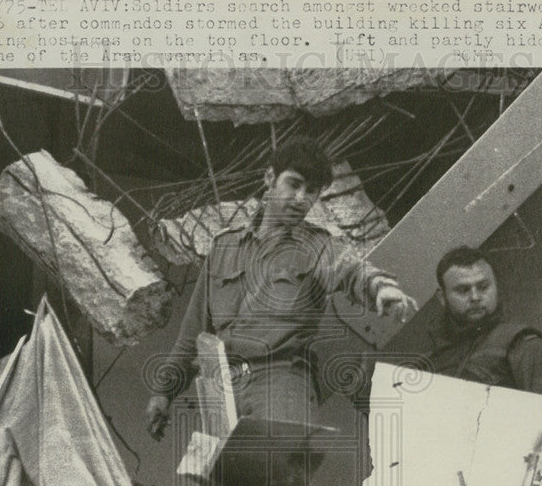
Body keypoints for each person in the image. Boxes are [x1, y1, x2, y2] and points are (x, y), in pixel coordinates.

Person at [145, 135, 418, 443]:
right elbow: (193, 335)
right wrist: (163, 392)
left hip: (280, 384)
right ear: (269, 178)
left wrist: (381, 288)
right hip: (223, 389)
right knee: (225, 484)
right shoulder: (223, 246)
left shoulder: (317, 245)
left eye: (312, 190)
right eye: (294, 184)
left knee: (275, 478)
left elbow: (353, 269)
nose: (301, 198)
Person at [426, 246, 542, 399]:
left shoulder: (522, 344)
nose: (475, 297)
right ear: (442, 297)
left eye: (483, 287)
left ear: (496, 286)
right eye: (463, 290)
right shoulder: (433, 362)